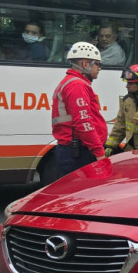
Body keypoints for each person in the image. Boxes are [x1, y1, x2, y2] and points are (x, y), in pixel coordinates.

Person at [51, 42, 108, 176]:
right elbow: (83, 122)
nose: (100, 68)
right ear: (85, 64)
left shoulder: (71, 82)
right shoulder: (77, 85)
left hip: (75, 150)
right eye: (98, 64)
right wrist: (99, 152)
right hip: (79, 153)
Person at [104, 65, 138, 156]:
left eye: (131, 83)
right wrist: (110, 146)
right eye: (127, 83)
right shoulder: (127, 101)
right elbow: (119, 126)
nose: (127, 86)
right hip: (129, 151)